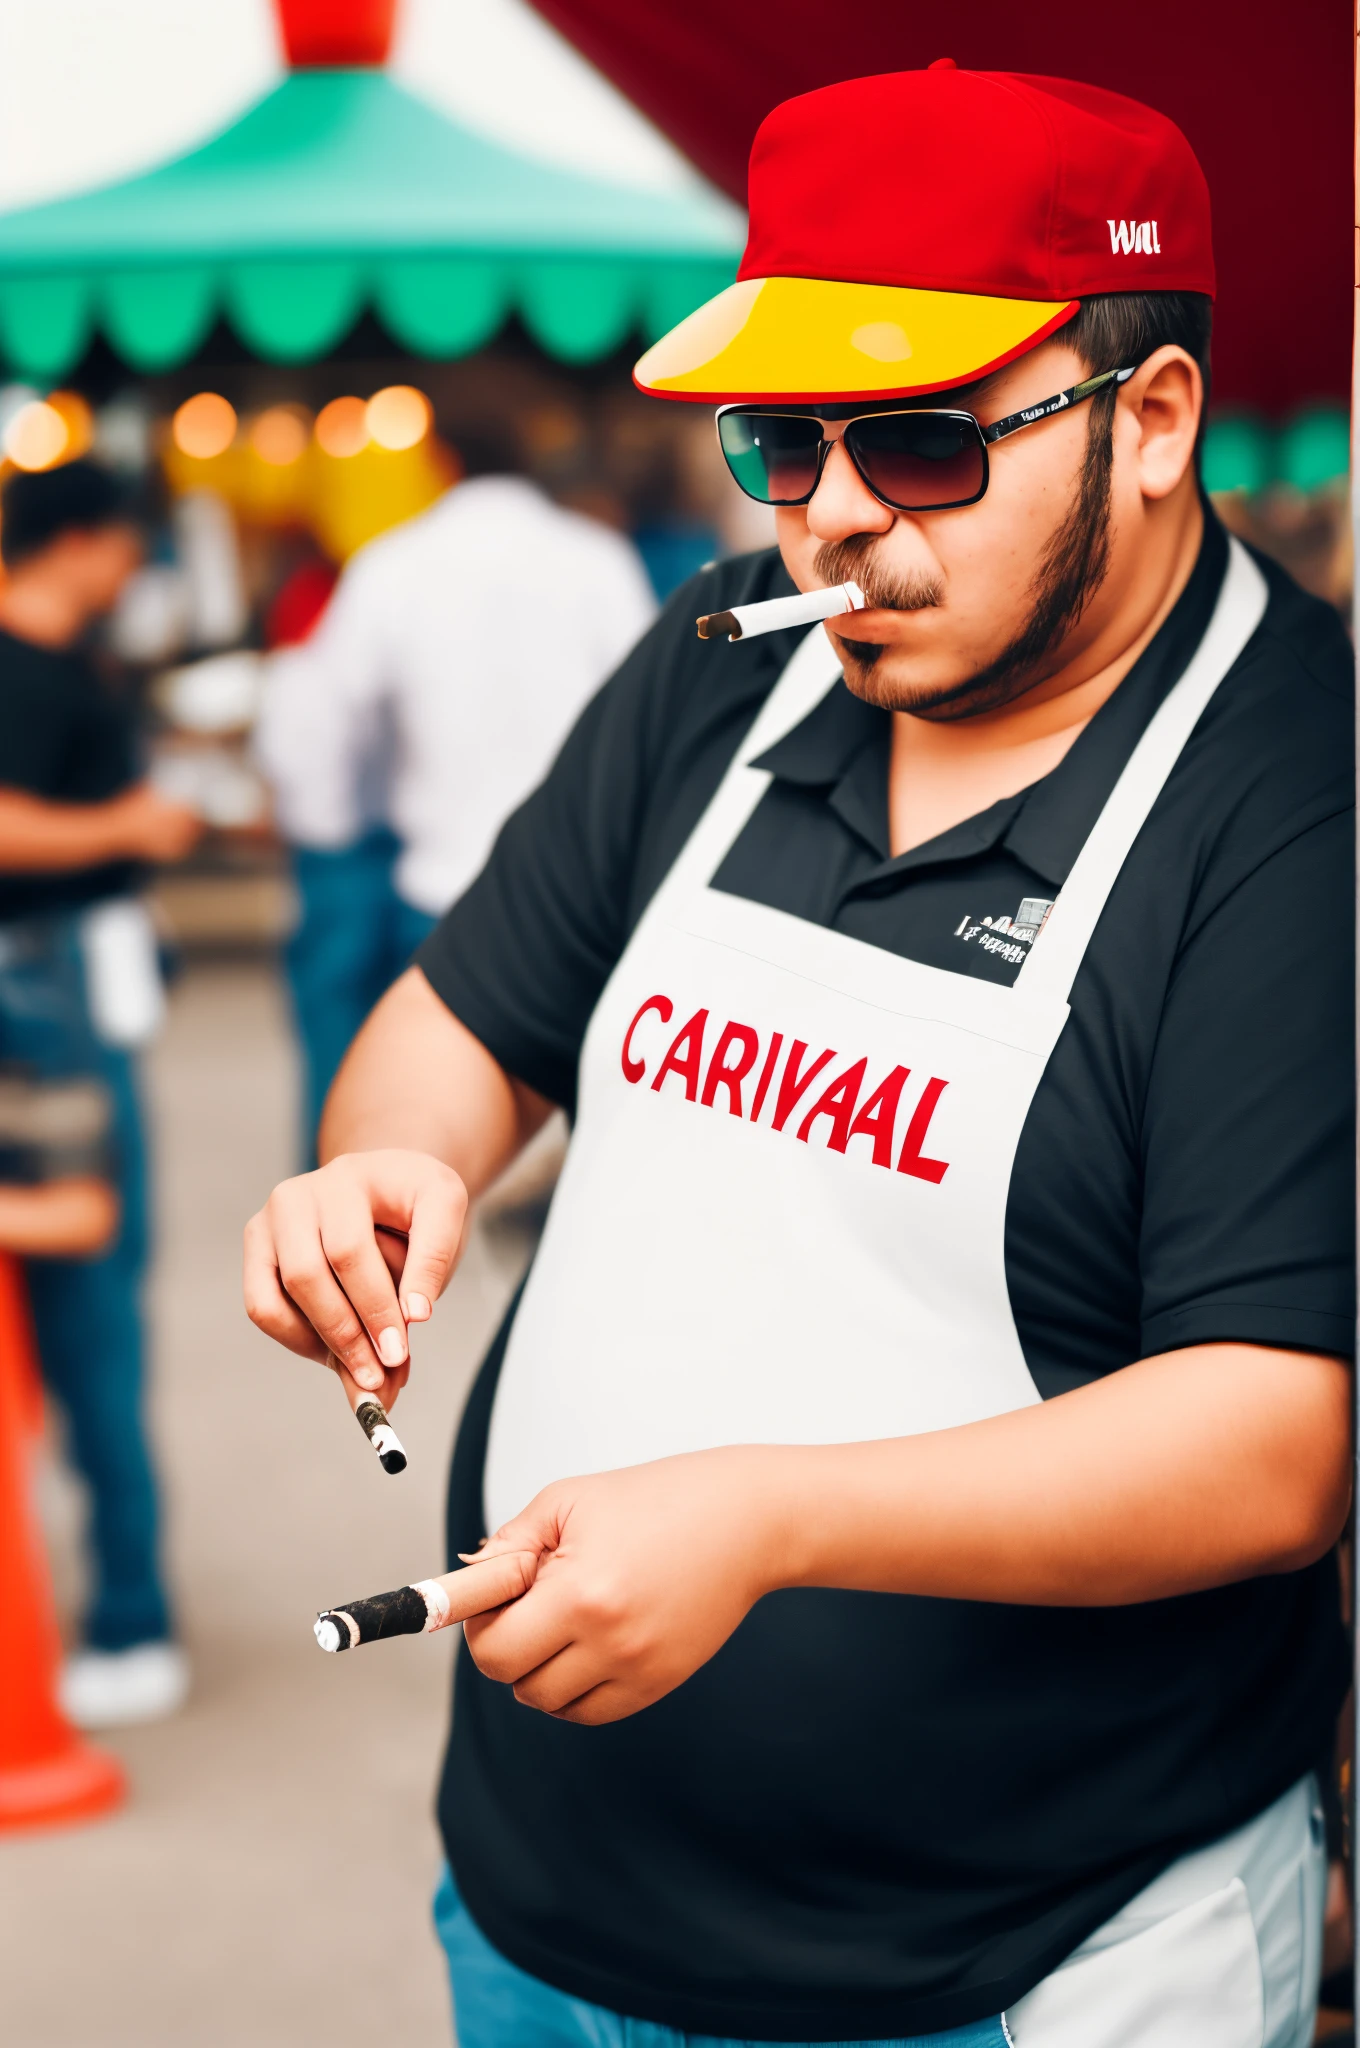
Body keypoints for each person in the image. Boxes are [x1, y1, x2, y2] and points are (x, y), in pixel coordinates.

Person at [244, 67, 1353, 2048]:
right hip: (538, 1901)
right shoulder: (727, 645)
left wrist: (764, 1518)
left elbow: (1265, 1442)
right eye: (785, 440)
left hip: (1011, 1963)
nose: (832, 514)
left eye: (920, 441)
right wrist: (392, 1161)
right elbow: (451, 1029)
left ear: (1155, 419)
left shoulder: (1291, 795)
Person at [254, 421, 656, 1159]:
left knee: (408, 1133)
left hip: (436, 896)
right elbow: (648, 719)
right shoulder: (596, 560)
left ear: (440, 458)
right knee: (581, 1146)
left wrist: (337, 827)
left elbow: (321, 724)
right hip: (584, 899)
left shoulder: (394, 563)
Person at [0, 458, 202, 1726]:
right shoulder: (24, 666)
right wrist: (132, 824)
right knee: (92, 1298)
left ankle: (126, 1602)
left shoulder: (70, 659)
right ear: (77, 539)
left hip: (67, 987)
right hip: (44, 998)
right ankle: (131, 1611)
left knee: (93, 1306)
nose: (137, 564)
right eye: (128, 540)